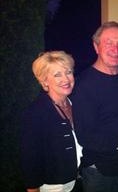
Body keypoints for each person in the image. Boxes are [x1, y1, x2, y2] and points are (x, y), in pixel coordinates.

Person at [71, 21, 118, 192]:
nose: (115, 49)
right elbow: (86, 136)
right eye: (108, 43)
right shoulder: (85, 84)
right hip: (99, 171)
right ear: (96, 46)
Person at [21, 51, 83, 192]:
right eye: (57, 75)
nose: (66, 79)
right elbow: (30, 158)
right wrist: (33, 189)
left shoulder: (74, 104)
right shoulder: (36, 112)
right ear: (44, 81)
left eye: (68, 72)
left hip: (78, 180)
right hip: (54, 186)